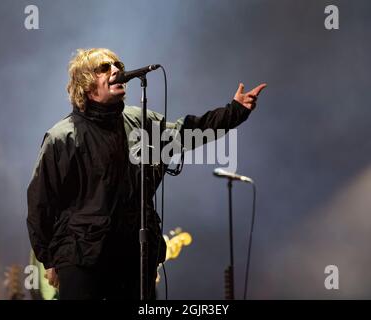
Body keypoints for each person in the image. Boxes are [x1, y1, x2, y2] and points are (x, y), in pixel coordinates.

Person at [27, 48, 266, 300]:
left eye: (117, 64)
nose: (116, 70)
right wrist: (49, 259)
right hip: (82, 259)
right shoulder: (62, 137)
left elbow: (189, 132)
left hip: (134, 255)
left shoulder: (141, 121)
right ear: (86, 84)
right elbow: (40, 202)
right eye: (104, 68)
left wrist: (236, 110)